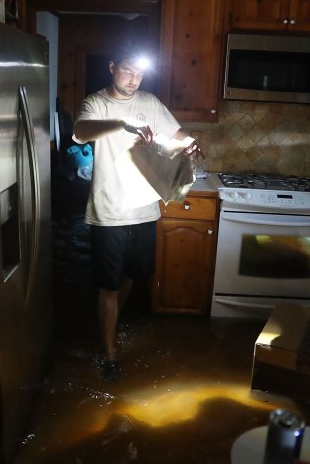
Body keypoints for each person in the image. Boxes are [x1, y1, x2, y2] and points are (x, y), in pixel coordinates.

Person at [72, 41, 202, 381]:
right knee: (109, 285)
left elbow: (175, 133)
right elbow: (80, 133)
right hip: (110, 211)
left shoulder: (150, 103)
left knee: (135, 274)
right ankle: (109, 353)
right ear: (112, 66)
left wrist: (189, 142)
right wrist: (121, 125)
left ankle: (110, 319)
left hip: (145, 209)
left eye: (140, 73)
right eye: (128, 71)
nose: (134, 79)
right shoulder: (96, 103)